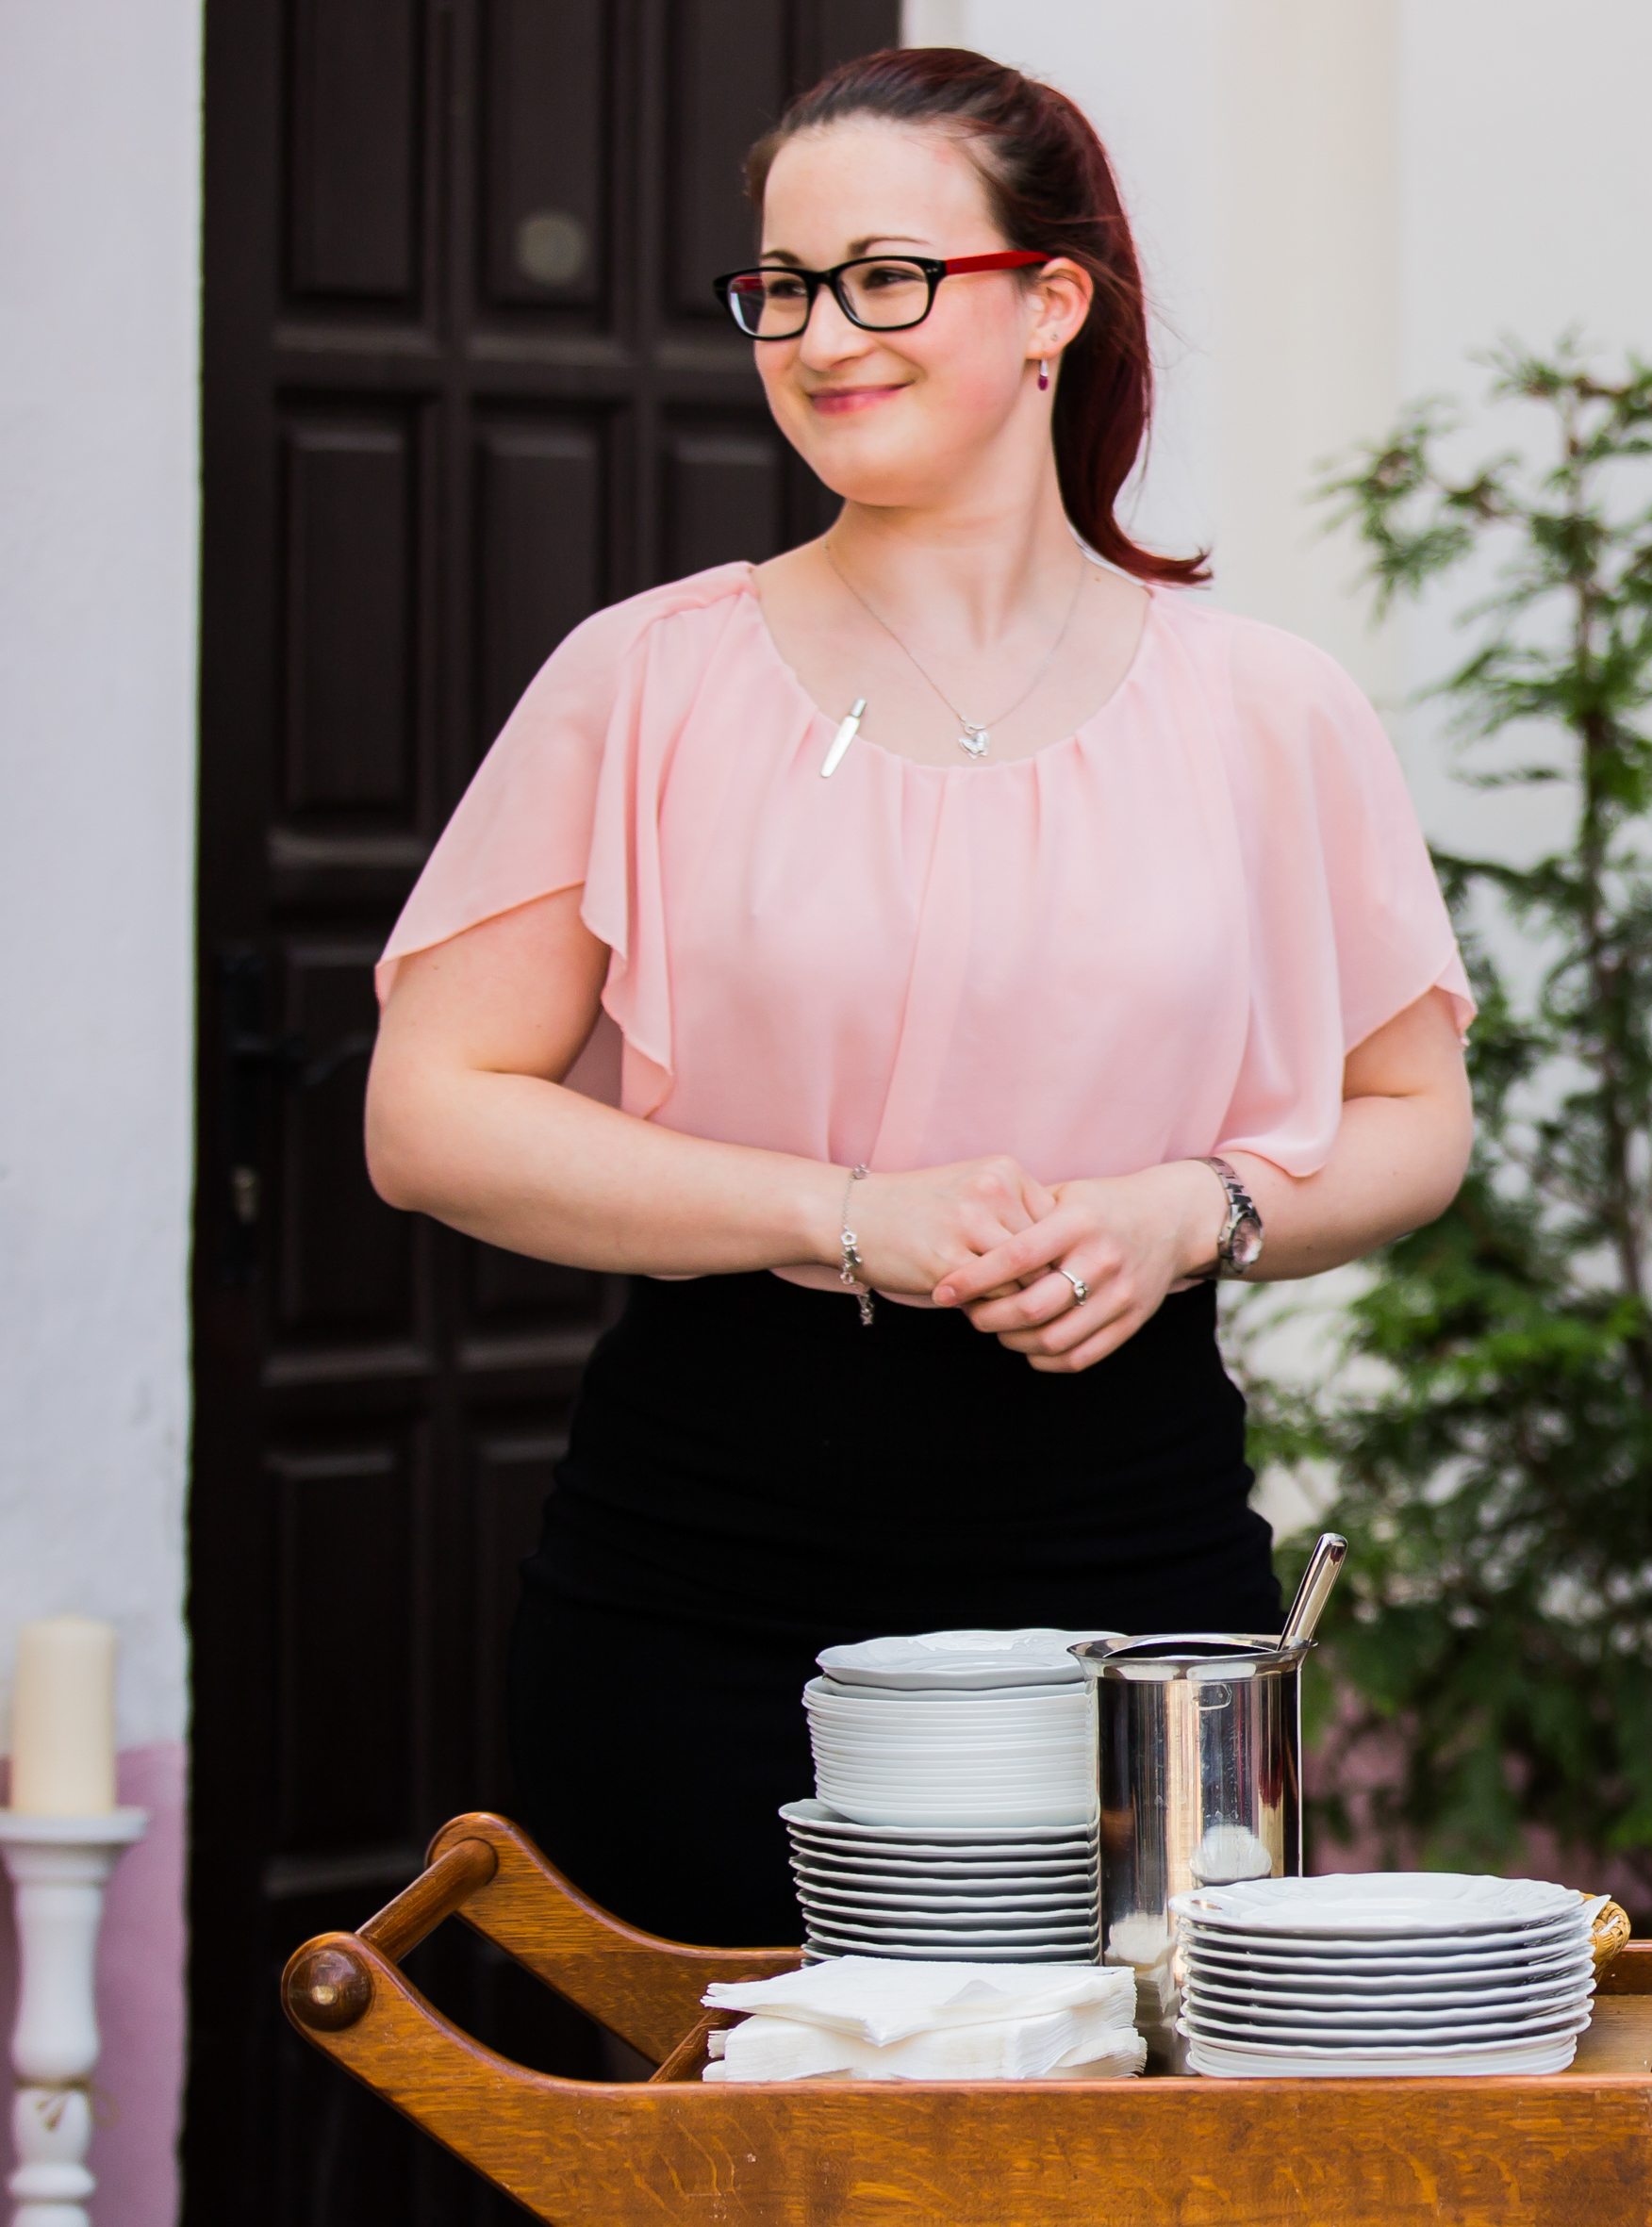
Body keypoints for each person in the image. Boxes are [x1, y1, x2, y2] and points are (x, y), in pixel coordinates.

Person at [361, 48, 1473, 1947]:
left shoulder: (1267, 707)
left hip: (1133, 1559)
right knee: (724, 2099)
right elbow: (427, 1109)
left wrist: (1189, 1209)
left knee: (1127, 2087)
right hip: (703, 1580)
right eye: (783, 288)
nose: (818, 337)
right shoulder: (642, 679)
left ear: (1052, 304)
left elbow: (1416, 1116)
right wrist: (844, 1211)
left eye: (885, 277)